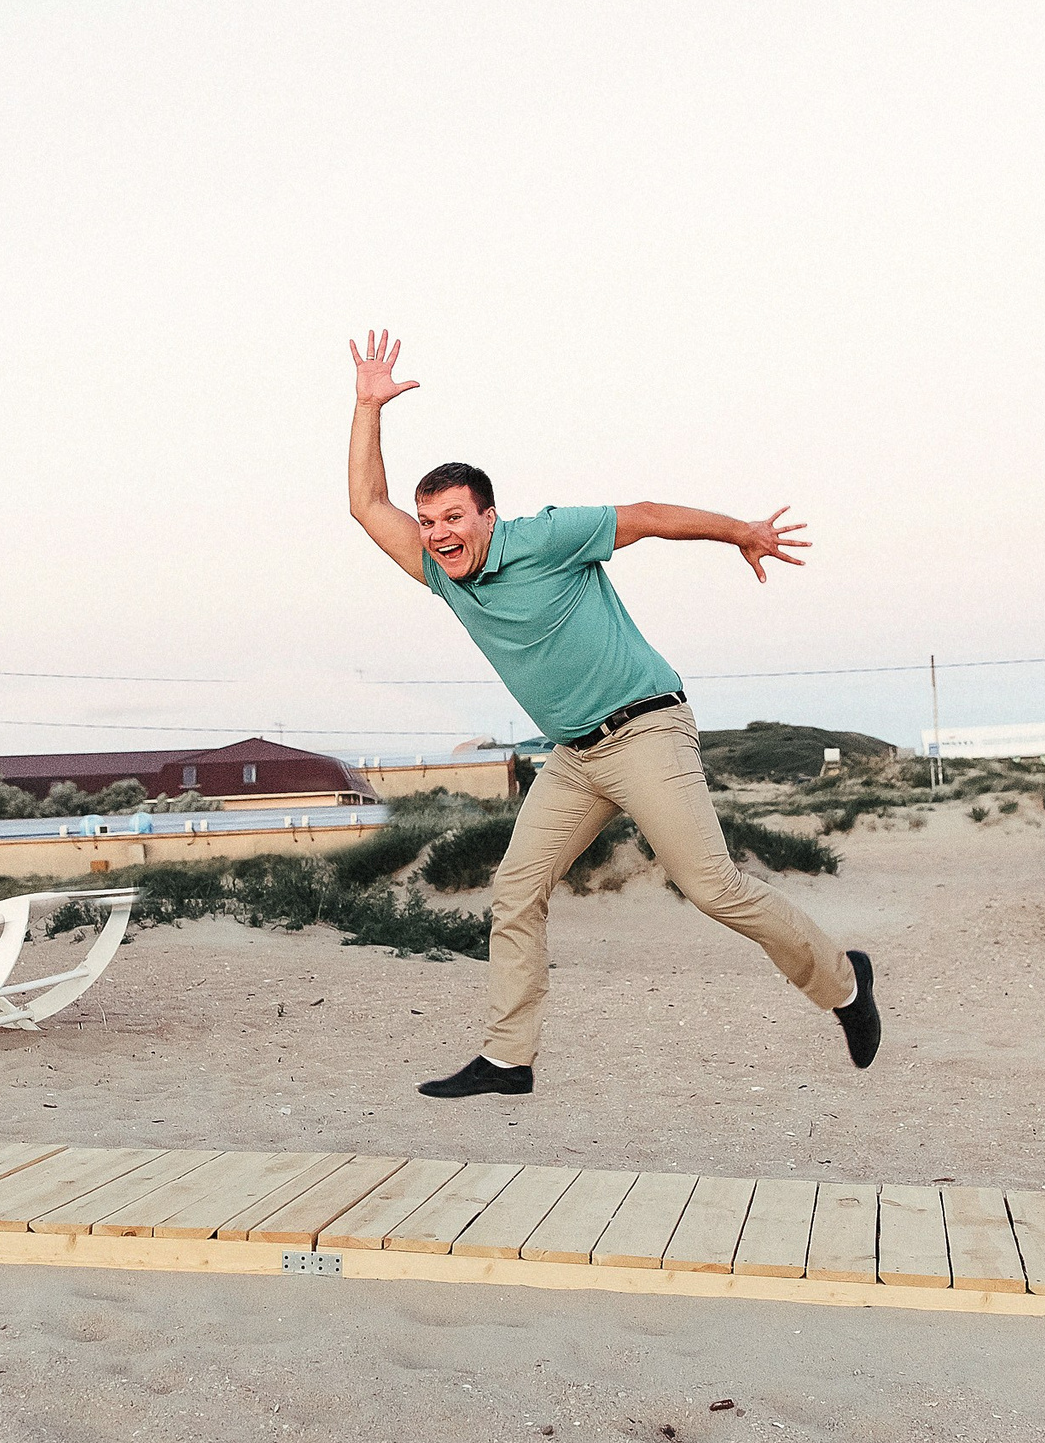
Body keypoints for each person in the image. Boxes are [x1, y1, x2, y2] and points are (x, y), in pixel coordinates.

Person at [344, 331, 882, 1100]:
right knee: (515, 889)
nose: (439, 535)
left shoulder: (549, 538)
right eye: (429, 521)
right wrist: (367, 406)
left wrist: (743, 533)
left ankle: (844, 983)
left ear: (489, 516)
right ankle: (508, 1058)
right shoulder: (442, 573)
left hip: (646, 727)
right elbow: (366, 503)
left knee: (712, 886)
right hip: (575, 756)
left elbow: (651, 514)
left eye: (454, 517)